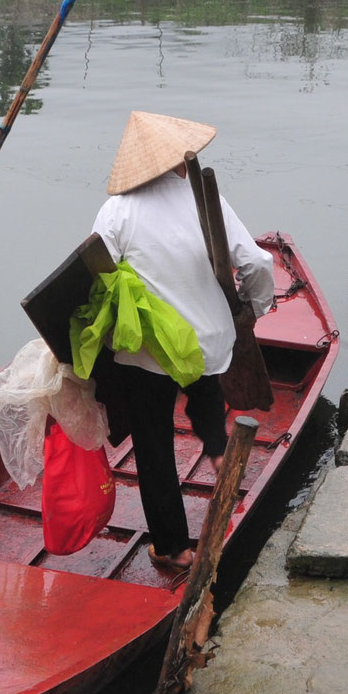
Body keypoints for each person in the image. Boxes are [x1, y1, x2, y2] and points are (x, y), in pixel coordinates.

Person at [90, 110, 274, 576]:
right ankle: (216, 447)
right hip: (210, 343)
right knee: (203, 378)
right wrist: (253, 310)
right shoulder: (204, 199)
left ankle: (173, 548)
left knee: (153, 445)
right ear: (178, 162)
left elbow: (94, 281)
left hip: (149, 353)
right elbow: (255, 263)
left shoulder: (117, 211)